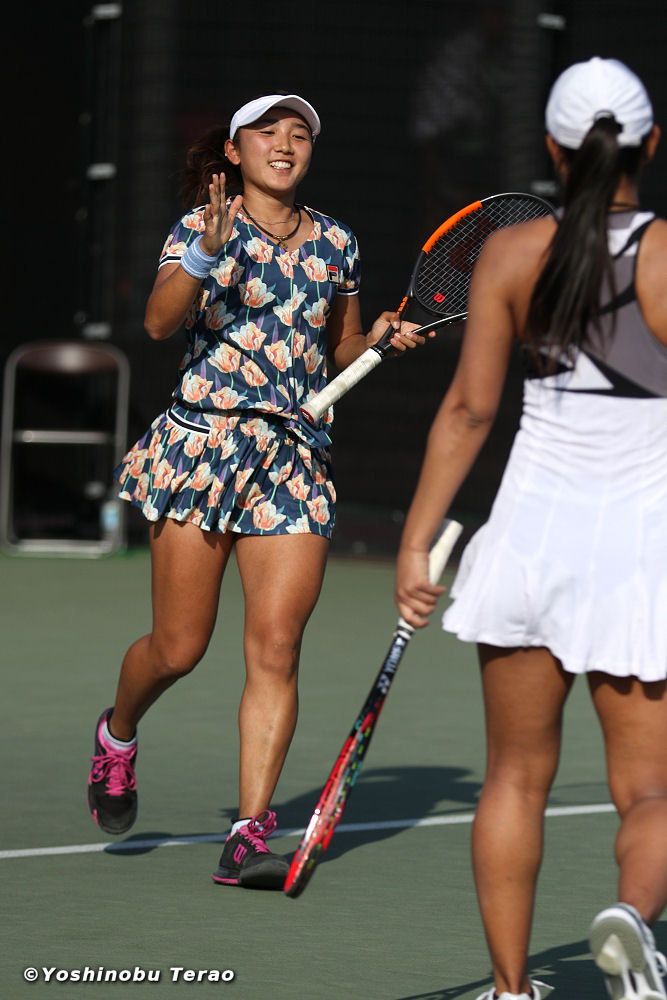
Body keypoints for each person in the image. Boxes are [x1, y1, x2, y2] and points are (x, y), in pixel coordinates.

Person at [87, 92, 428, 889]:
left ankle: (247, 832)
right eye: (267, 131)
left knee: (276, 647)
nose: (285, 142)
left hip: (293, 459)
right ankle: (118, 733)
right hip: (202, 449)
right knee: (178, 648)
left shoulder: (336, 241)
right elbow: (159, 323)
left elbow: (340, 345)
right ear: (234, 152)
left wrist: (377, 339)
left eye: (298, 132)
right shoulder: (199, 226)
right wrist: (204, 256)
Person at [395, 58, 667, 1000]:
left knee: (512, 778)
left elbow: (468, 411)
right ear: (649, 145)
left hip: (529, 540)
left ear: (551, 148)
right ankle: (630, 918)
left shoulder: (511, 253)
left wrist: (414, 541)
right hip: (638, 551)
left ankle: (510, 992)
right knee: (651, 791)